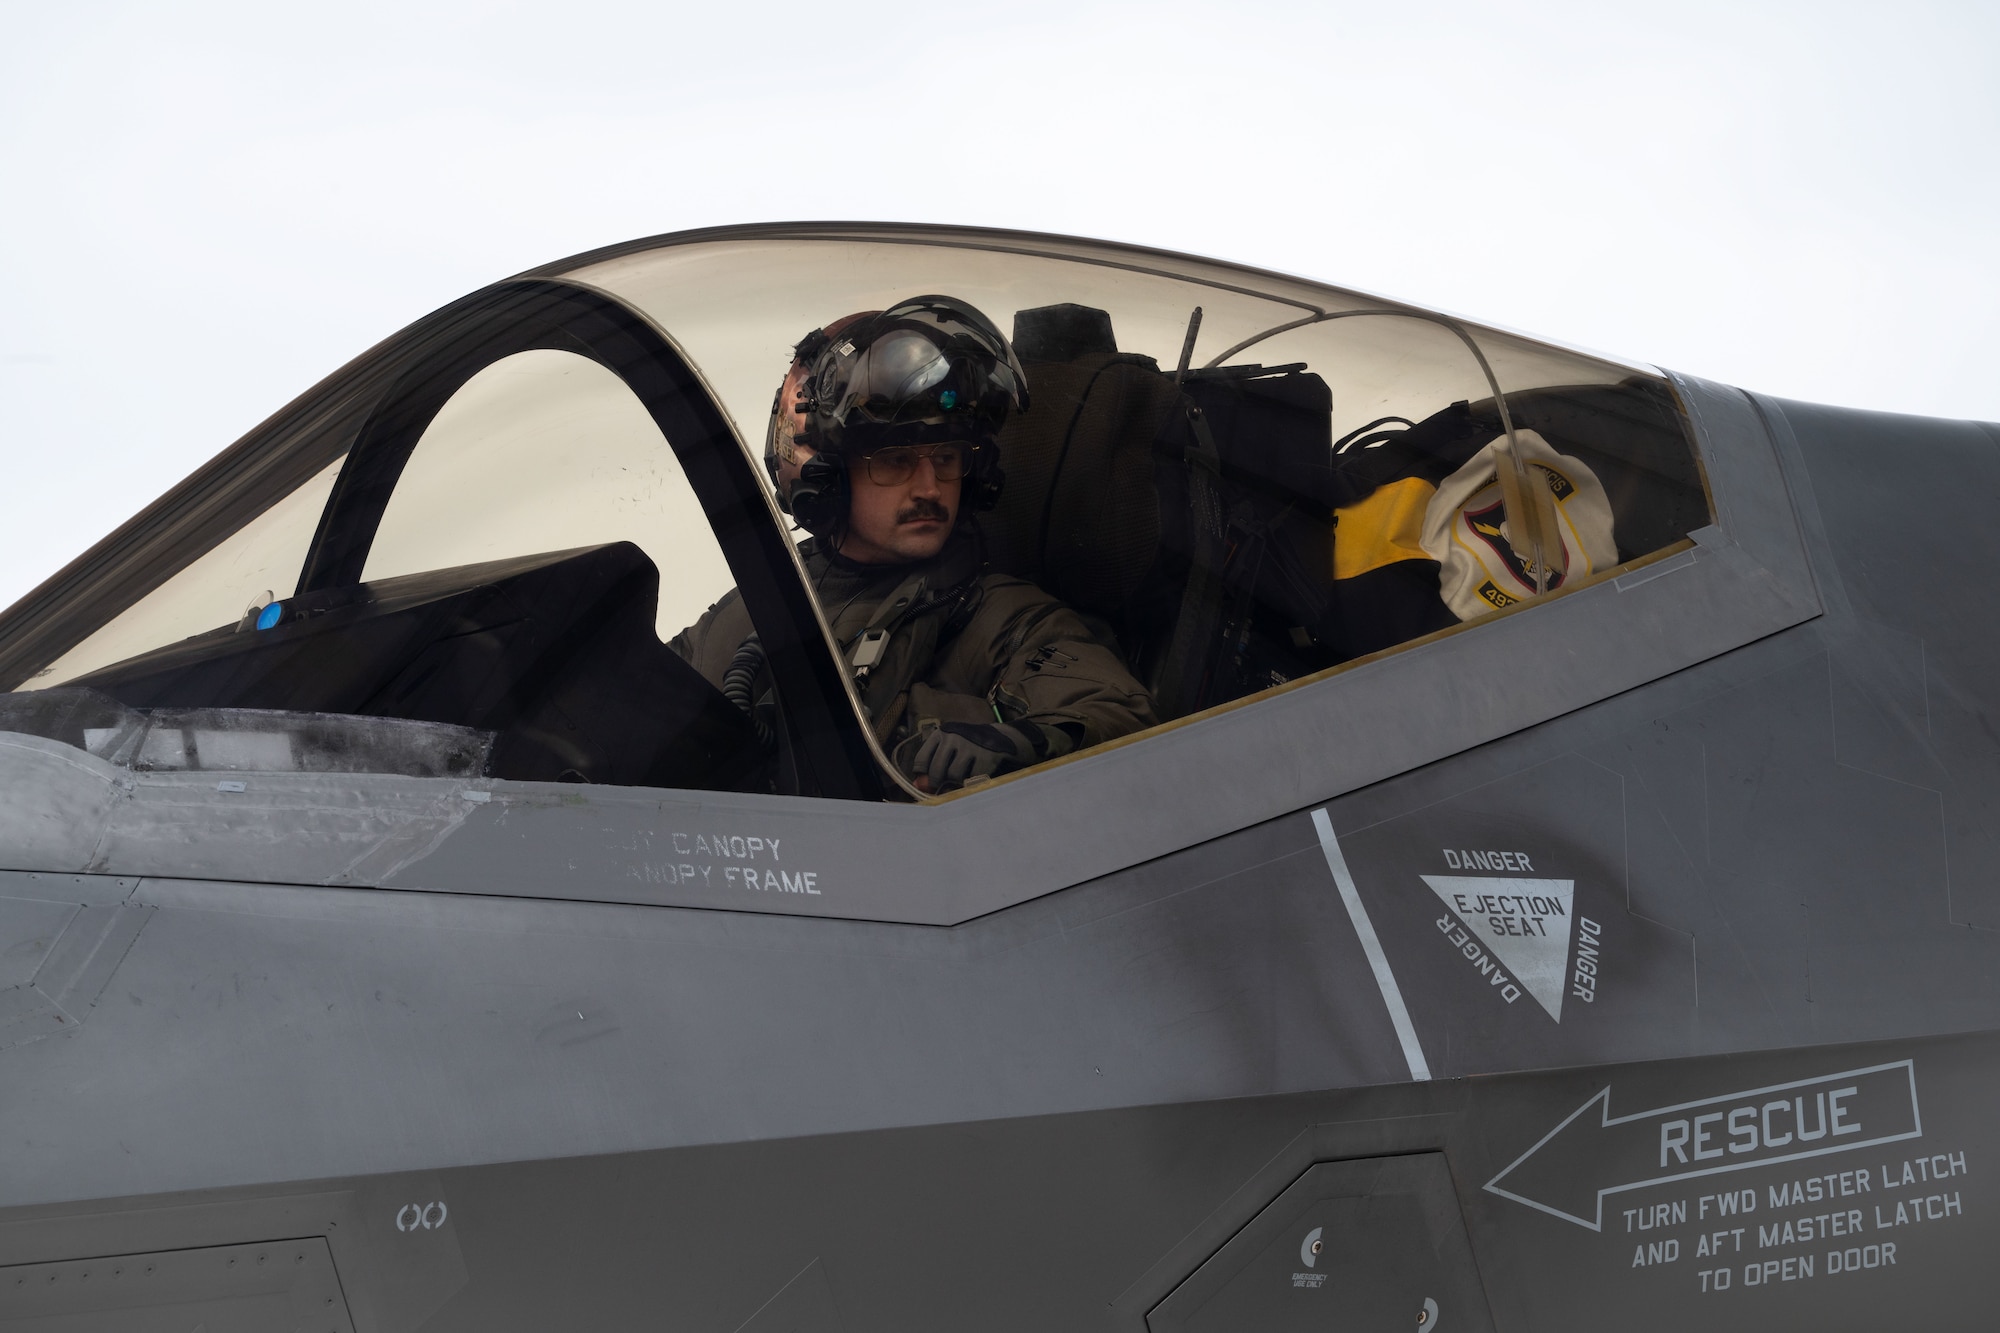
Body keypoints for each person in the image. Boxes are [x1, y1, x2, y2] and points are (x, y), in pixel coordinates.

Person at [673, 296, 1156, 793]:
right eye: (895, 461)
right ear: (826, 478)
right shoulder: (746, 610)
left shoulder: (1005, 620)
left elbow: (1117, 715)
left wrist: (1012, 742)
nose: (930, 488)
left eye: (946, 458)